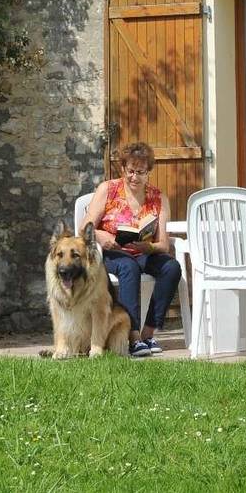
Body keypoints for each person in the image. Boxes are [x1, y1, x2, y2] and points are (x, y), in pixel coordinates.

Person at [84, 141, 182, 358]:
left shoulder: (158, 198)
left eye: (140, 172)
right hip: (112, 252)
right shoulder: (108, 190)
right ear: (123, 169)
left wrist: (149, 246)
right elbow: (85, 227)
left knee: (172, 268)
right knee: (129, 266)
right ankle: (133, 336)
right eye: (130, 171)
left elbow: (164, 244)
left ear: (149, 172)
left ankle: (148, 333)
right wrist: (103, 236)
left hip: (144, 251)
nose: (134, 177)